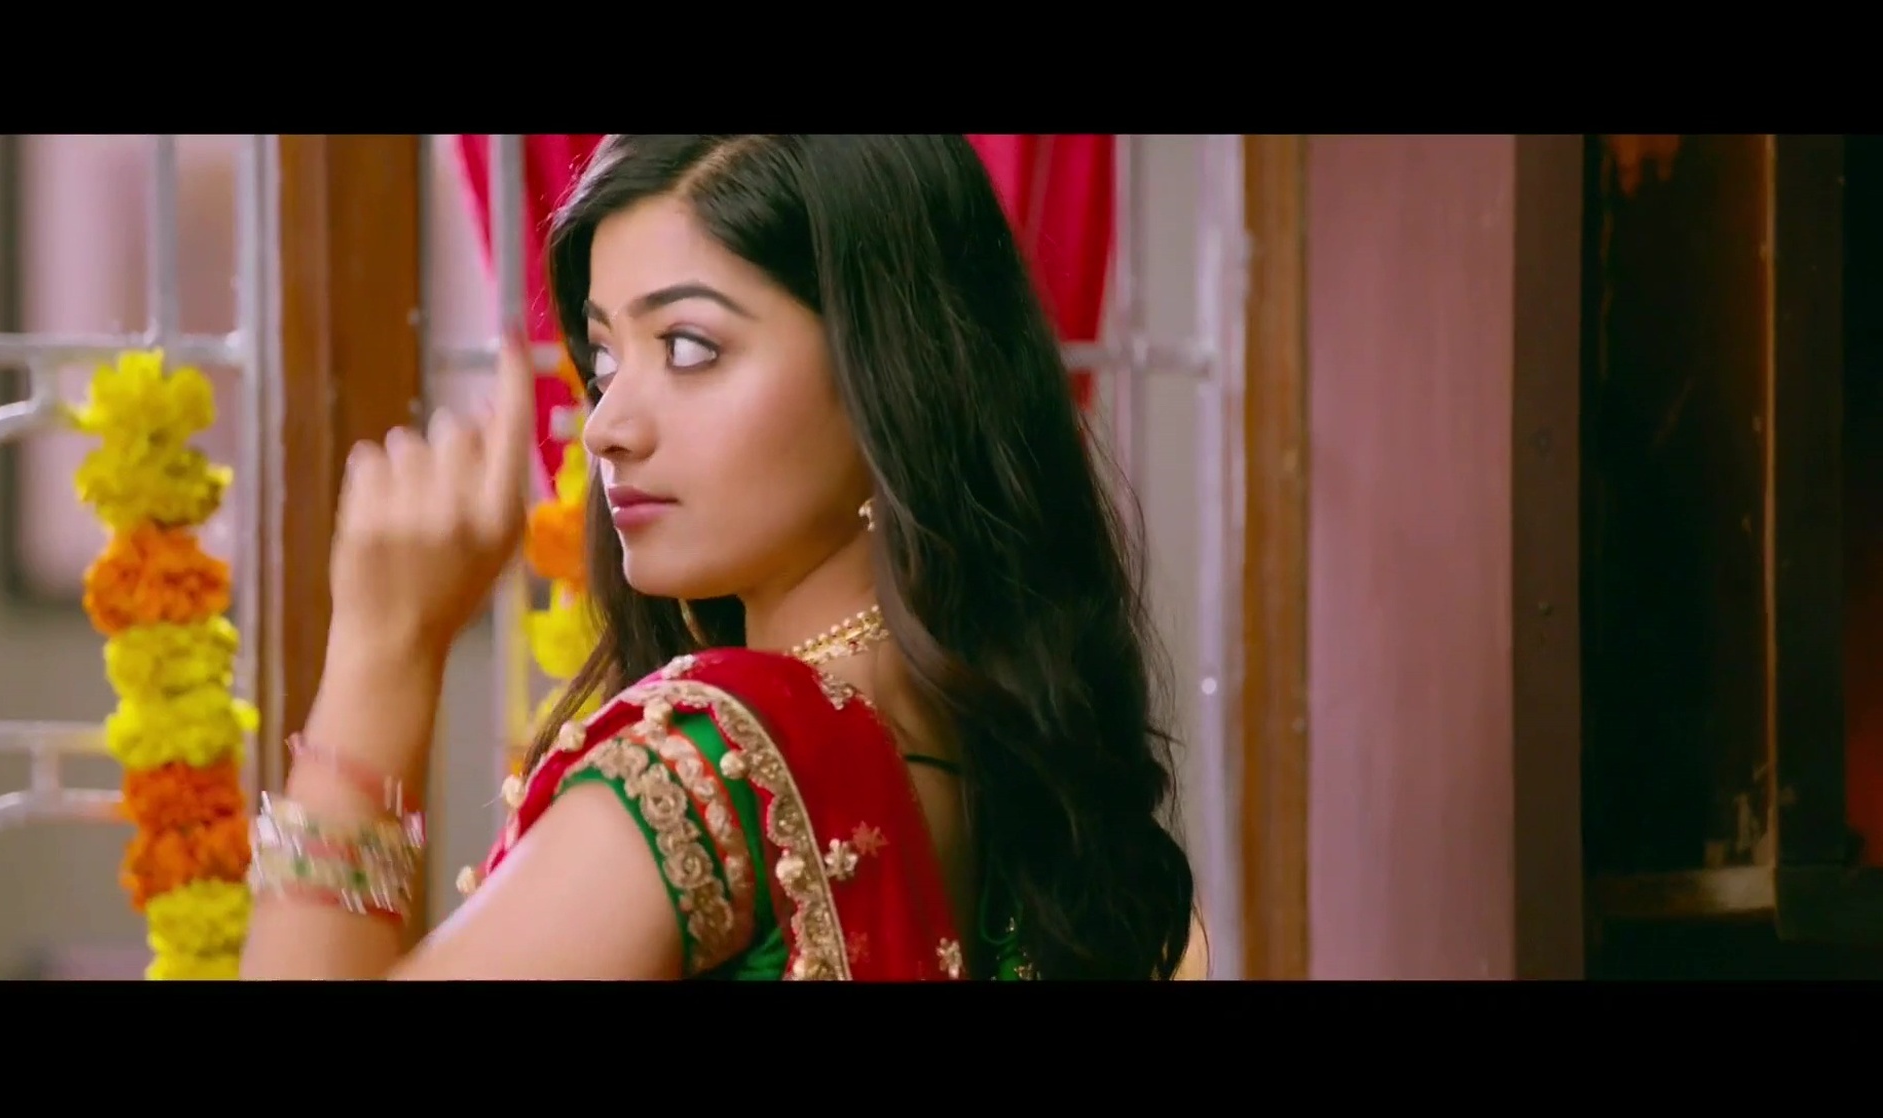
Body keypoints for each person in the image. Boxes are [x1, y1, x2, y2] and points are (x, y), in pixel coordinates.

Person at [239, 134, 1198, 981]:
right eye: (604, 363)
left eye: (690, 348)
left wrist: (381, 655)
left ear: (892, 373)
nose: (605, 426)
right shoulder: (994, 749)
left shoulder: (711, 770)